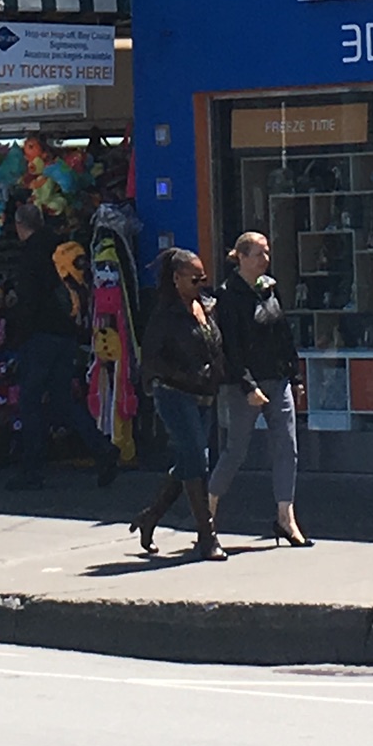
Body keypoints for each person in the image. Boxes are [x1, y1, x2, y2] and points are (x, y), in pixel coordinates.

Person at [7, 202, 119, 492]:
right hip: (66, 333)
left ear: (20, 225)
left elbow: (29, 300)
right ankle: (102, 448)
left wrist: (18, 333)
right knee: (63, 399)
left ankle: (32, 470)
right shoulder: (61, 247)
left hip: (39, 336)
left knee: (31, 401)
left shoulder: (30, 254)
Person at [209, 231, 309, 545]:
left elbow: (282, 335)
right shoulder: (228, 294)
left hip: (276, 378)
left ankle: (285, 517)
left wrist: (295, 376)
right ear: (241, 257)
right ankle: (207, 513)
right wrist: (248, 386)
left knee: (286, 446)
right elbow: (231, 347)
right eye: (258, 254)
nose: (265, 259)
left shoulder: (269, 288)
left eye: (267, 252)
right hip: (245, 384)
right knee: (236, 450)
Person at [129, 246, 227, 561]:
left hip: (204, 394)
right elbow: (152, 361)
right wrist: (189, 374)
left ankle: (151, 516)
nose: (201, 283)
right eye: (195, 279)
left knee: (190, 461)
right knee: (197, 457)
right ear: (176, 279)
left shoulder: (207, 307)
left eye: (203, 277)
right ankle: (207, 535)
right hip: (174, 393)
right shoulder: (165, 315)